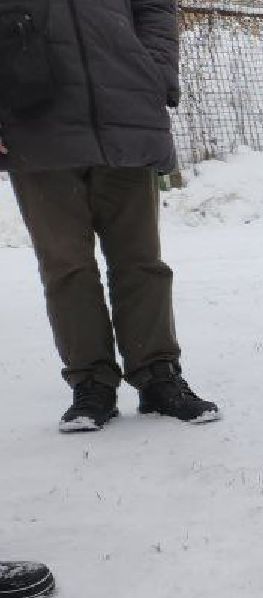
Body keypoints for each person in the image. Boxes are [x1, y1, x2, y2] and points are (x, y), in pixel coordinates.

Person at [0, 0, 219, 432]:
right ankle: (91, 383)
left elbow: (154, 9)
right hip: (35, 119)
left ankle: (157, 374)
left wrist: (154, 76)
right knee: (66, 265)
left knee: (140, 259)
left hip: (126, 114)